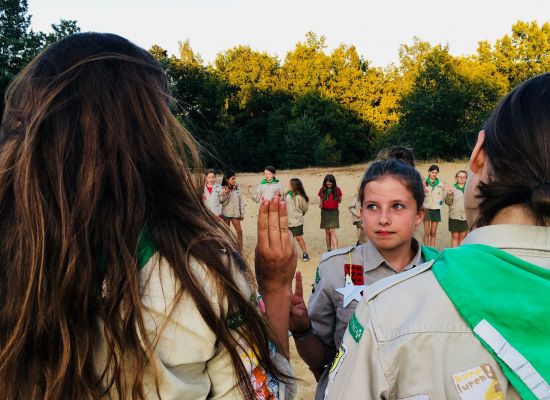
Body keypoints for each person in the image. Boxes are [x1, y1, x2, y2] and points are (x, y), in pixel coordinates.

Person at [0, 32, 297, 399]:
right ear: (151, 130)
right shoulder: (196, 267)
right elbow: (265, 393)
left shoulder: (16, 252)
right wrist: (276, 287)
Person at [325, 73, 550, 400]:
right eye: (372, 206)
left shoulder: (390, 311)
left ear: (479, 154)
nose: (384, 218)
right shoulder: (358, 280)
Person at [290, 154, 439, 399]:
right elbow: (322, 364)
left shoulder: (439, 270)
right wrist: (301, 329)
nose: (383, 219)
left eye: (398, 206)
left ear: (419, 215)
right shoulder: (336, 268)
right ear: (361, 212)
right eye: (372, 206)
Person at [285, 178, 310, 262]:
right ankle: (290, 255)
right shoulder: (287, 195)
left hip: (297, 221)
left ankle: (305, 253)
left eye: (290, 184)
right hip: (287, 221)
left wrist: (299, 214)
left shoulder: (300, 197)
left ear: (294, 186)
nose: (288, 185)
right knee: (289, 238)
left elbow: (304, 208)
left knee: (298, 237)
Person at [220, 171, 245, 249]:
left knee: (239, 231)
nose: (234, 180)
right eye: (232, 179)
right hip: (226, 213)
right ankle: (227, 247)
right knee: (226, 232)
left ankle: (240, 248)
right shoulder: (222, 189)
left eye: (235, 179)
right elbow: (221, 202)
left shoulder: (237, 188)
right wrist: (225, 193)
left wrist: (242, 213)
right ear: (227, 180)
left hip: (235, 214)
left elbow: (241, 201)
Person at [318, 174, 342, 251]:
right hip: (325, 211)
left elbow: (340, 200)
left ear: (333, 182)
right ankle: (329, 250)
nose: (329, 184)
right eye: (327, 182)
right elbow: (320, 201)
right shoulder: (322, 190)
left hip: (334, 212)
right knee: (327, 231)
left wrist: (334, 200)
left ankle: (336, 250)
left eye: (330, 182)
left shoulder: (337, 190)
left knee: (332, 231)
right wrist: (321, 205)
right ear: (325, 182)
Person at [422, 164, 445, 246]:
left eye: (436, 172)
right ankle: (426, 249)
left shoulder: (441, 184)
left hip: (436, 209)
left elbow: (446, 196)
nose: (434, 174)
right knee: (427, 232)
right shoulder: (424, 183)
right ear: (429, 172)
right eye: (432, 172)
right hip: (426, 209)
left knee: (433, 232)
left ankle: (432, 250)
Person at [446, 170, 469, 247]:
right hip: (454, 216)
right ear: (456, 178)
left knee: (463, 237)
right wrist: (449, 194)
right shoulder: (452, 189)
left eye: (463, 177)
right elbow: (448, 203)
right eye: (459, 177)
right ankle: (454, 255)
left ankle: (460, 256)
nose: (461, 178)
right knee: (455, 237)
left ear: (466, 178)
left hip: (466, 217)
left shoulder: (469, 189)